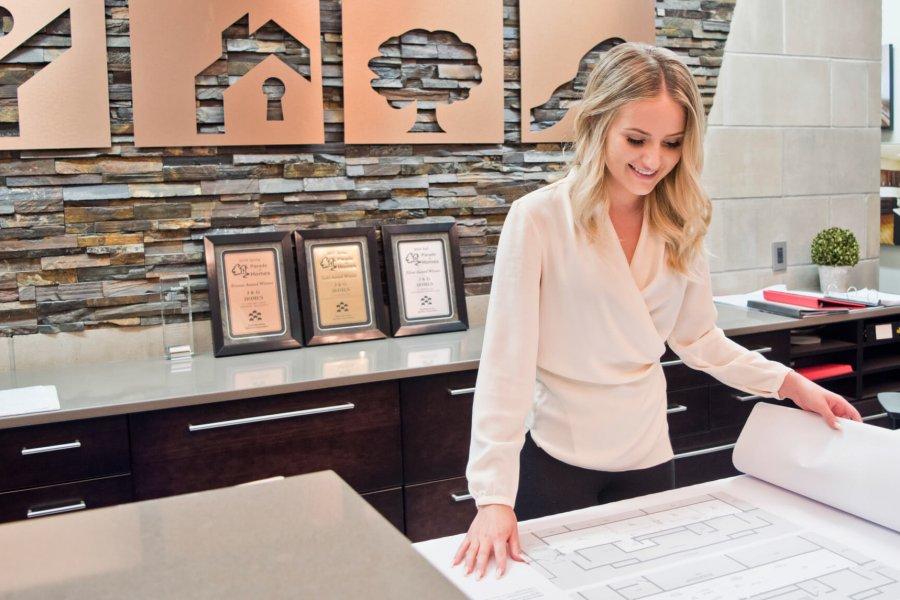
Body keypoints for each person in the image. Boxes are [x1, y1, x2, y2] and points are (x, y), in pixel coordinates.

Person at [450, 41, 863, 581]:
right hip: (556, 462)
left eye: (671, 144)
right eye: (636, 139)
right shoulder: (538, 220)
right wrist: (493, 496)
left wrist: (790, 384)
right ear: (598, 123)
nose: (653, 160)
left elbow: (699, 340)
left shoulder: (682, 220)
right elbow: (507, 365)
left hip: (648, 458)